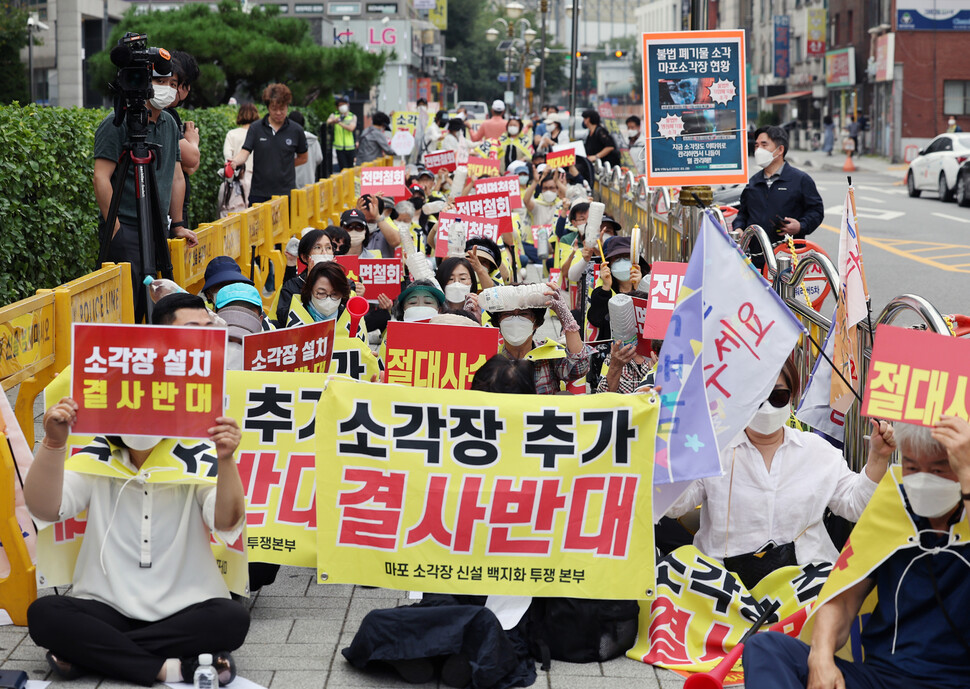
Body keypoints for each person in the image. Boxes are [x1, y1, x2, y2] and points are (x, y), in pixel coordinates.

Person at [25, 292, 249, 687]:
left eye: (206, 330)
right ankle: (171, 667)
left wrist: (227, 458)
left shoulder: (199, 447)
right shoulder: (98, 452)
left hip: (187, 606)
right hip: (105, 604)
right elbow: (45, 508)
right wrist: (54, 444)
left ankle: (91, 655)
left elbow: (226, 519)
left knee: (231, 619)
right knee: (45, 616)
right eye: (189, 332)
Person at [742, 417, 970, 689]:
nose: (923, 481)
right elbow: (843, 599)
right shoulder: (892, 505)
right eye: (911, 467)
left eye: (939, 469)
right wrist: (821, 657)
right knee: (765, 647)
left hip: (955, 680)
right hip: (881, 677)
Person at [664, 358, 895, 586]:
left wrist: (878, 458)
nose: (767, 407)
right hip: (723, 589)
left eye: (777, 396)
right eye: (757, 397)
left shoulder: (817, 450)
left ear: (791, 396)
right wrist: (670, 441)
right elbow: (674, 505)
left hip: (805, 587)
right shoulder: (712, 449)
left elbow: (856, 504)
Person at [93, 47, 196, 323]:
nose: (167, 89)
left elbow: (176, 177)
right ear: (141, 82)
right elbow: (101, 177)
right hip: (125, 228)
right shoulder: (116, 124)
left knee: (160, 303)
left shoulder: (169, 125)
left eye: (172, 84)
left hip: (157, 228)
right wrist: (115, 231)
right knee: (131, 308)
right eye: (160, 82)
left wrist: (177, 223)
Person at [731, 125, 825, 250]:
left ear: (780, 150)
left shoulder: (800, 179)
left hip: (788, 253)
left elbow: (816, 211)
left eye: (764, 145)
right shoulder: (754, 182)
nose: (759, 150)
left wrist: (801, 226)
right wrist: (739, 228)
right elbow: (743, 213)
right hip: (756, 255)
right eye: (757, 145)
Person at [490, 283, 592, 395]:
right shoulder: (490, 357)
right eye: (507, 314)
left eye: (524, 314)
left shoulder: (550, 354)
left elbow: (579, 368)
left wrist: (567, 320)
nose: (515, 320)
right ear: (498, 321)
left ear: (536, 322)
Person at [229, 83, 308, 206]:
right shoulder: (256, 128)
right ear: (267, 107)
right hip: (259, 193)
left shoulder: (296, 130)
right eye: (274, 109)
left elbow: (303, 157)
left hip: (285, 193)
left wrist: (283, 164)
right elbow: (245, 151)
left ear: (287, 106)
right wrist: (235, 161)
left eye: (282, 109)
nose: (278, 113)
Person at [167, 51, 201, 225]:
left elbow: (190, 166)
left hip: (173, 215)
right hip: (170, 215)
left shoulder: (170, 115)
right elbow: (192, 159)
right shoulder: (166, 116)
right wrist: (193, 141)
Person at [275, 229, 334, 327]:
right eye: (318, 247)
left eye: (328, 248)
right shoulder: (292, 285)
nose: (324, 253)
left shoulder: (346, 283)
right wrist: (310, 284)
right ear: (304, 257)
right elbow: (283, 318)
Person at [215, 282, 268, 370]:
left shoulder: (272, 350)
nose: (240, 315)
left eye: (242, 342)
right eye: (228, 340)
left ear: (260, 319)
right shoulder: (203, 350)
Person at [222, 103, 259, 201]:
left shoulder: (232, 134)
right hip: (256, 180)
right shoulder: (259, 134)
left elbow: (227, 157)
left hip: (236, 180)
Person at [288, 110, 323, 189]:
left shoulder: (288, 139)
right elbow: (319, 158)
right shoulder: (313, 139)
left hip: (293, 182)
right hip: (309, 181)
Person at [327, 96, 358, 171]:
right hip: (339, 147)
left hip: (350, 146)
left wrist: (339, 123)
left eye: (344, 104)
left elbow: (351, 128)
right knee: (343, 168)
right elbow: (328, 122)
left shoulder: (352, 116)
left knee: (351, 168)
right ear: (337, 107)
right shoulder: (334, 115)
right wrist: (334, 121)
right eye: (340, 105)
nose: (342, 107)